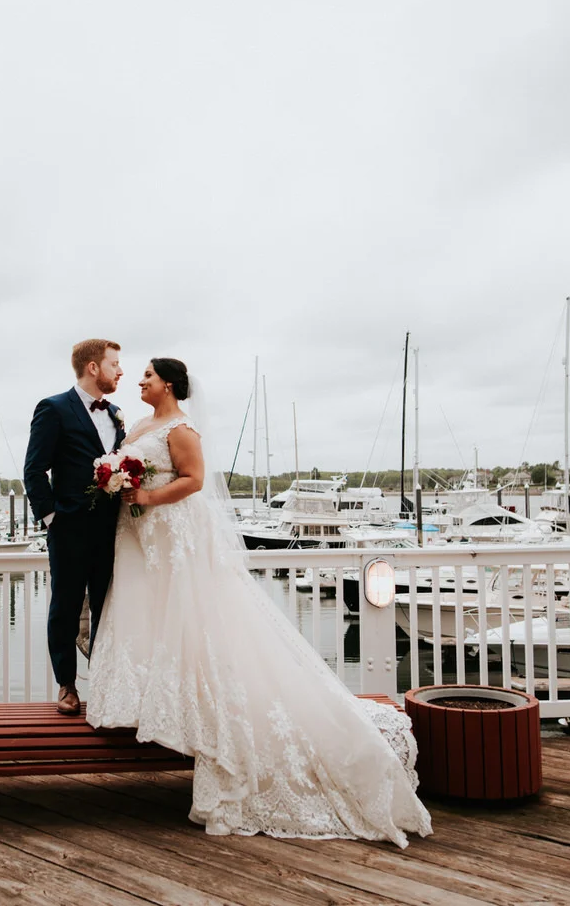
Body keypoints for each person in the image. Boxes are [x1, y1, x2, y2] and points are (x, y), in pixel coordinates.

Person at [86, 357, 433, 843]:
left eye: (147, 375)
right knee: (142, 609)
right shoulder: (142, 423)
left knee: (188, 618)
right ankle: (142, 700)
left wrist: (144, 497)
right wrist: (119, 480)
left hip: (171, 533)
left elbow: (194, 481)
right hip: (140, 539)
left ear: (168, 383)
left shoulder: (183, 429)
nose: (140, 381)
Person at [23, 339, 126, 716]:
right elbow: (34, 470)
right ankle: (67, 685)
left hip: (111, 530)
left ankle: (102, 680)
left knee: (108, 607)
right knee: (65, 608)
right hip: (68, 528)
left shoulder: (116, 413)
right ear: (93, 368)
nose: (121, 371)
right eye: (115, 364)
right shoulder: (53, 408)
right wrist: (52, 519)